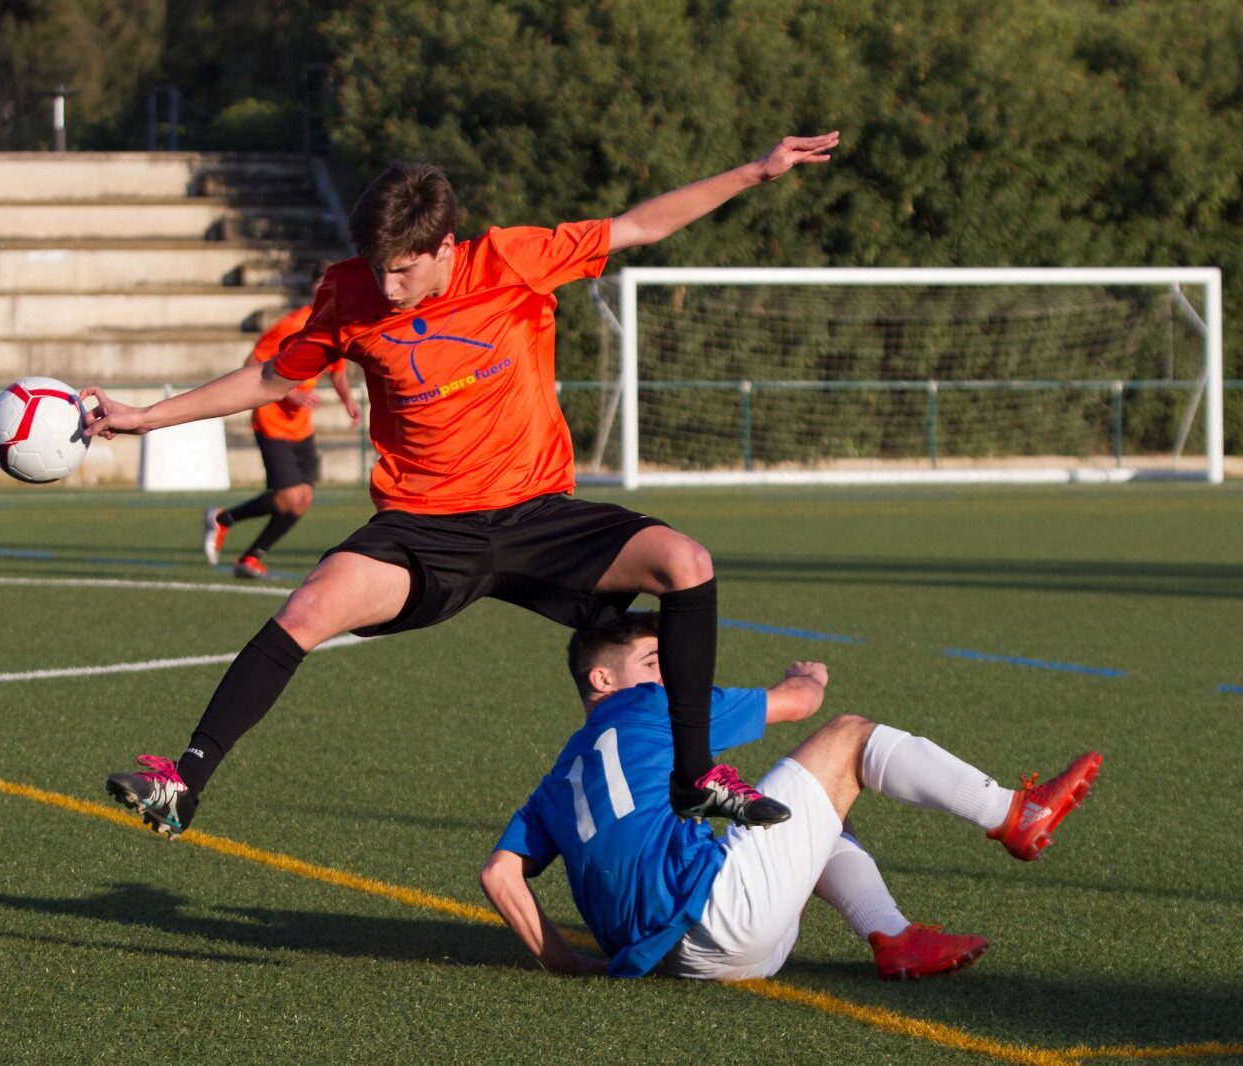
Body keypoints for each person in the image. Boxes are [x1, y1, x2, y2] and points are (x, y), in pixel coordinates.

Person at [86, 132, 841, 836]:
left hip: (535, 514)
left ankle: (694, 775)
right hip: (424, 526)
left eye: (403, 269)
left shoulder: (514, 260)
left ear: (447, 246)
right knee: (309, 607)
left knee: (687, 563)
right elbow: (269, 378)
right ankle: (184, 783)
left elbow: (639, 225)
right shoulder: (348, 292)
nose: (387, 285)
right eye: (376, 266)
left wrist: (756, 171)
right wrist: (145, 417)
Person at [480, 613, 1100, 980]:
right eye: (653, 661)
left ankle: (894, 936)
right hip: (727, 916)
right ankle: (1013, 813)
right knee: (849, 737)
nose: (669, 673)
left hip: (675, 961)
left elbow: (500, 876)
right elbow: (800, 705)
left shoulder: (556, 780)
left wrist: (569, 964)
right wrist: (806, 678)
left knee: (810, 811)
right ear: (603, 679)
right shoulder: (650, 704)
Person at [203, 263, 361, 579]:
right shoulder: (292, 324)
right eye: (323, 283)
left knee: (302, 500)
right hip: (272, 418)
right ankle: (223, 520)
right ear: (313, 288)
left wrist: (348, 402)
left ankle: (249, 555)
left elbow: (338, 372)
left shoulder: (336, 326)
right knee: (289, 496)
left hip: (301, 425)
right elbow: (252, 362)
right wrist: (290, 393)